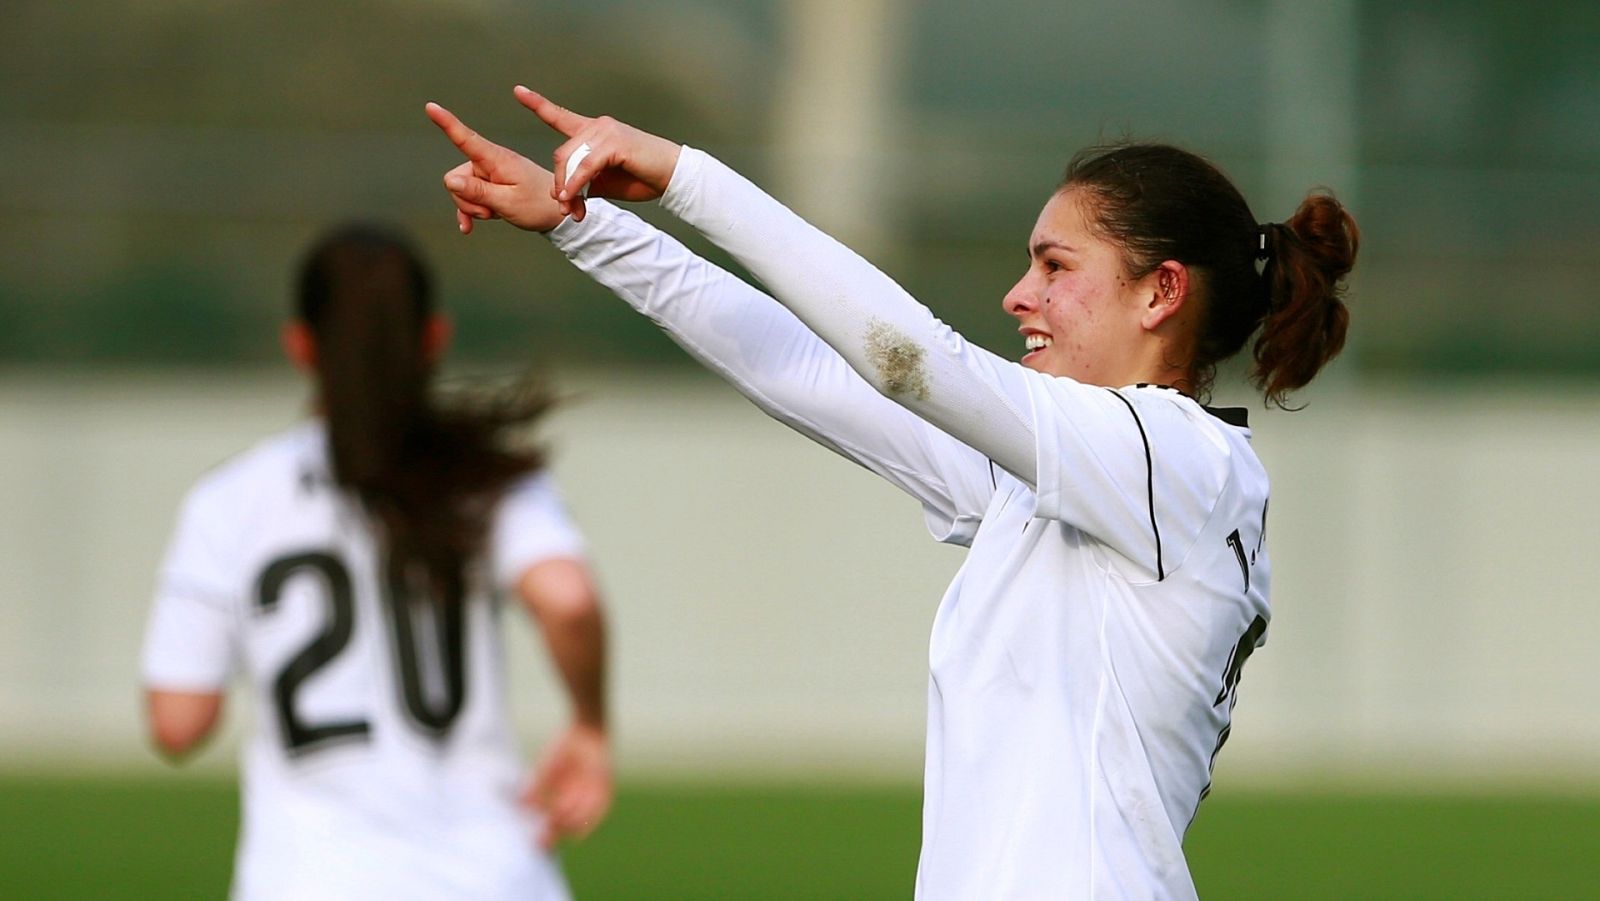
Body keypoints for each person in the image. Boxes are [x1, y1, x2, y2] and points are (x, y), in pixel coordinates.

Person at [425, 85, 1356, 899]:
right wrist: (585, 224)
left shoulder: (1176, 461)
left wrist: (685, 177)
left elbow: (909, 361)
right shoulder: (1086, 477)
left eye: (1056, 266)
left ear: (1161, 293)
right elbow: (809, 369)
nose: (1018, 295)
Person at [139, 223, 611, 901]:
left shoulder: (231, 500)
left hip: (306, 878)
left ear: (300, 345)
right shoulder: (485, 474)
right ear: (434, 338)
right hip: (491, 876)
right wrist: (589, 725)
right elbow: (567, 598)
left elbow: (178, 722)